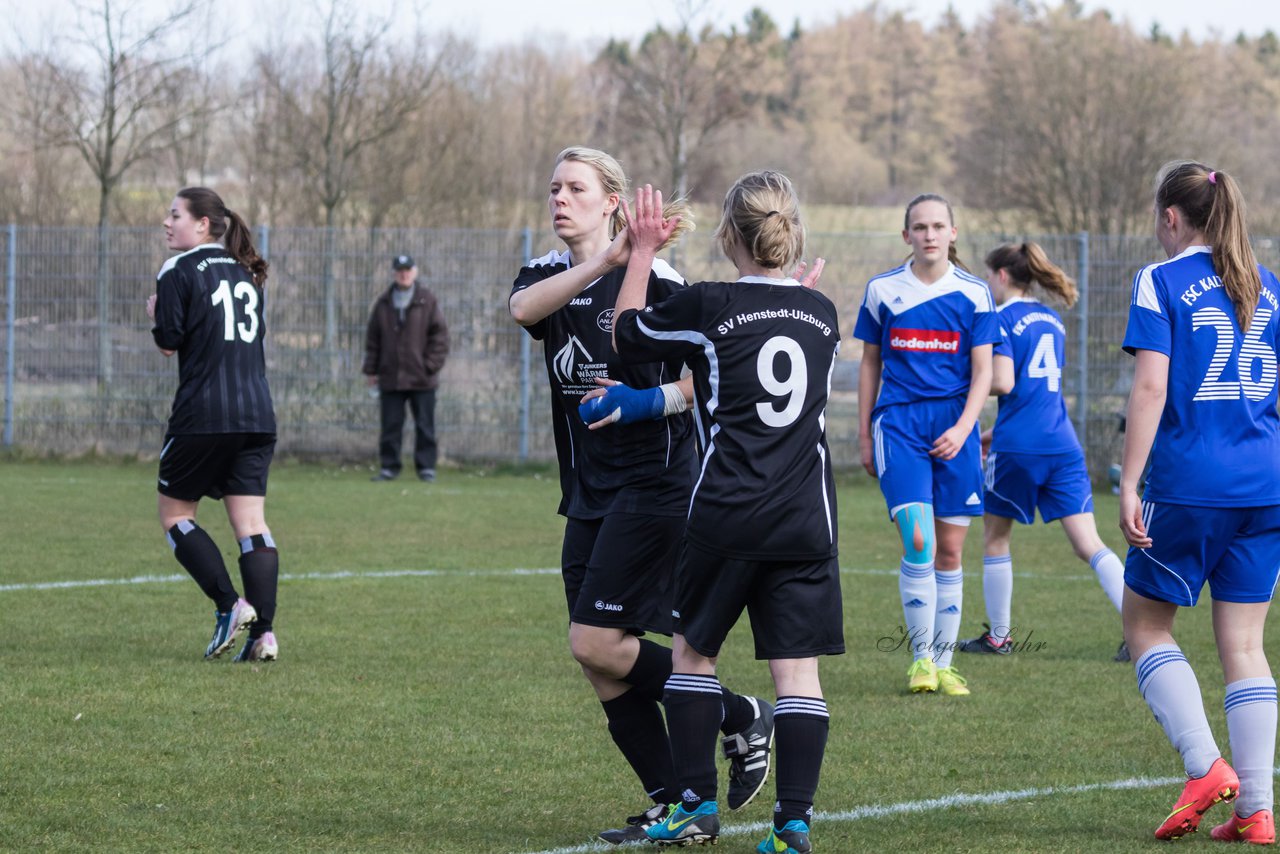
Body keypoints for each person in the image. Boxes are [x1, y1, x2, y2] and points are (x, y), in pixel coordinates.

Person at [507, 146, 774, 845]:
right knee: (598, 660)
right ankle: (675, 795)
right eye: (553, 187)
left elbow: (702, 380)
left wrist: (646, 402)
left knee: (595, 639)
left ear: (612, 202)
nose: (559, 199)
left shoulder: (658, 280)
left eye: (575, 189)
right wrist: (601, 261)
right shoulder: (547, 273)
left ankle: (735, 714)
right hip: (587, 493)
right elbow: (522, 311)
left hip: (655, 485)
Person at [613, 172, 840, 854]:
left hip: (727, 515)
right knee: (797, 676)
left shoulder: (708, 303)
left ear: (728, 235)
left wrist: (643, 253)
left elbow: (625, 338)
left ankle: (695, 809)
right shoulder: (821, 311)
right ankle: (792, 825)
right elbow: (781, 327)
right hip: (806, 519)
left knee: (692, 657)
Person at [1119, 161, 1280, 844]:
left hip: (1191, 484)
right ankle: (1257, 809)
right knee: (1246, 644)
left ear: (1171, 218)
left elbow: (1151, 390)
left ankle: (1204, 766)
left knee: (1146, 628)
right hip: (1266, 483)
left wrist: (1128, 483)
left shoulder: (1161, 280)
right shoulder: (1268, 283)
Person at [855, 193, 999, 696]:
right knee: (919, 542)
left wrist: (964, 429)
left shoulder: (976, 294)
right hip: (899, 426)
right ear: (906, 236)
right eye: (920, 226)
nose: (930, 234)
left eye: (939, 225)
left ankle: (945, 663)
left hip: (953, 427)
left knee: (952, 551)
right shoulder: (882, 291)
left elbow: (984, 371)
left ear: (953, 233)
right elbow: (870, 363)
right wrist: (864, 434)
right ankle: (920, 661)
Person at [957, 242, 1128, 661]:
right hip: (1061, 443)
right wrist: (991, 434)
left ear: (1000, 276)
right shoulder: (1053, 319)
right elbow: (1037, 394)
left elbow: (1006, 383)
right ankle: (1142, 630)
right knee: (1089, 543)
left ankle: (999, 637)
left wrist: (971, 374)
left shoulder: (1000, 318)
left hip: (1020, 448)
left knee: (995, 539)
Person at [146, 187, 280, 663]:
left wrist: (155, 313)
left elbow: (168, 342)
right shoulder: (246, 273)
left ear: (203, 224)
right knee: (251, 524)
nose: (167, 222)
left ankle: (229, 606)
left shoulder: (178, 269)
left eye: (175, 214)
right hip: (257, 414)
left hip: (204, 415)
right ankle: (263, 634)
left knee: (175, 515)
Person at [363, 254, 450, 482]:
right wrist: (371, 371)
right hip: (390, 377)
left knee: (425, 426)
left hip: (422, 378)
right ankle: (389, 467)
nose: (404, 274)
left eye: (407, 269)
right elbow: (373, 340)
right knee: (390, 426)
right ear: (394, 273)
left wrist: (429, 366)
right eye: (399, 270)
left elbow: (440, 337)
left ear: (415, 272)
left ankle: (426, 468)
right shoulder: (383, 303)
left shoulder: (427, 300)